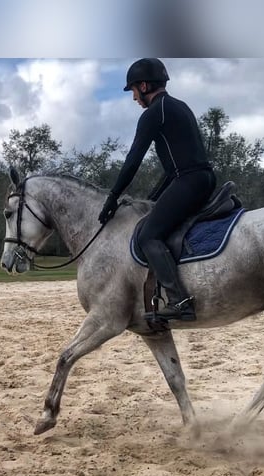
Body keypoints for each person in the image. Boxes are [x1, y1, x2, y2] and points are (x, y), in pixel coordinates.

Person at [98, 57, 216, 322]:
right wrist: (152, 199)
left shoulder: (154, 113)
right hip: (203, 178)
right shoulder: (180, 106)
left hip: (188, 181)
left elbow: (132, 161)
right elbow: (174, 167)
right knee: (156, 220)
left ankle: (179, 300)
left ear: (143, 85)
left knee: (147, 235)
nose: (134, 99)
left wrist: (112, 197)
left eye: (133, 91)